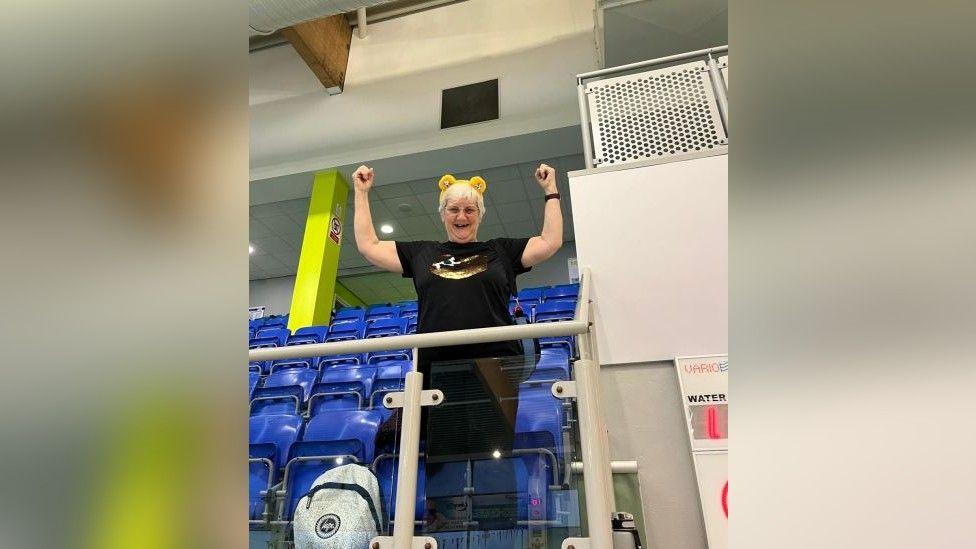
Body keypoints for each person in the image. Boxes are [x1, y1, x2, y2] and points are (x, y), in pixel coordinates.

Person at [352, 162, 564, 532]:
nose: (461, 215)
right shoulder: (422, 253)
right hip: (437, 379)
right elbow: (368, 246)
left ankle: (499, 533)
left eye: (470, 209)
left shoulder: (500, 251)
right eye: (454, 209)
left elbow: (550, 242)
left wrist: (551, 191)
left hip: (494, 373)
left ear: (480, 215)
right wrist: (361, 193)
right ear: (443, 214)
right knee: (444, 470)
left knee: (494, 465)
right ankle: (444, 533)